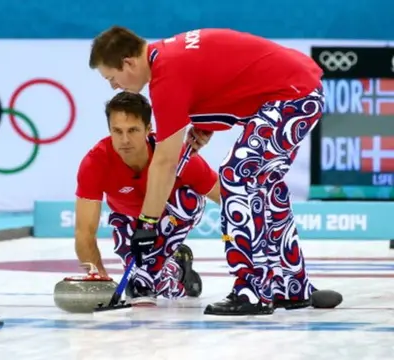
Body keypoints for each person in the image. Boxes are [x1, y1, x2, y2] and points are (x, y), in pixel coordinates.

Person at [88, 27, 325, 315]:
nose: (114, 86)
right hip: (299, 90)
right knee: (265, 186)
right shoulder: (168, 55)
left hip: (290, 95)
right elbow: (222, 76)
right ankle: (291, 284)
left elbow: (165, 161)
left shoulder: (165, 77)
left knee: (236, 177)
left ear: (129, 62)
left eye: (112, 77)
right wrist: (206, 125)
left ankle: (251, 289)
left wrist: (147, 223)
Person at [74, 91, 220, 306]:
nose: (125, 140)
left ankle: (160, 262)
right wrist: (99, 281)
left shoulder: (175, 155)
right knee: (144, 288)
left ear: (149, 128)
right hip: (129, 220)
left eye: (132, 130)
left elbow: (229, 199)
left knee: (186, 201)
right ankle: (179, 270)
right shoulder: (95, 163)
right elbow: (84, 233)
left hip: (174, 214)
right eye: (117, 131)